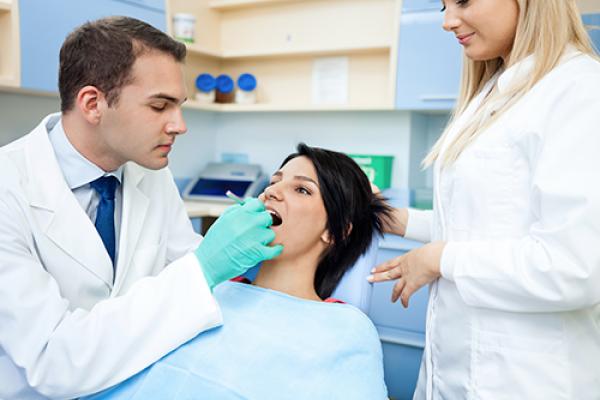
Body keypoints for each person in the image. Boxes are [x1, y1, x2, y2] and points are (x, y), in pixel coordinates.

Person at [0, 17, 281, 399]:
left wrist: (223, 264)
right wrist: (205, 267)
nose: (179, 125)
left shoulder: (147, 170)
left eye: (178, 106)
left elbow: (182, 264)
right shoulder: (8, 188)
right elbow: (54, 360)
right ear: (93, 103)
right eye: (160, 106)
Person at [368, 0, 600, 398]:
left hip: (527, 379)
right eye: (442, 6)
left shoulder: (578, 90)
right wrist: (395, 218)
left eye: (462, 1)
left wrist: (439, 259)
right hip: (455, 371)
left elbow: (575, 267)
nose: (446, 22)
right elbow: (482, 223)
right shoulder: (495, 91)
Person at [85, 143, 391, 400]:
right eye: (275, 181)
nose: (272, 192)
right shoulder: (202, 288)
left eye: (301, 189)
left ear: (336, 232)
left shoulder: (347, 331)